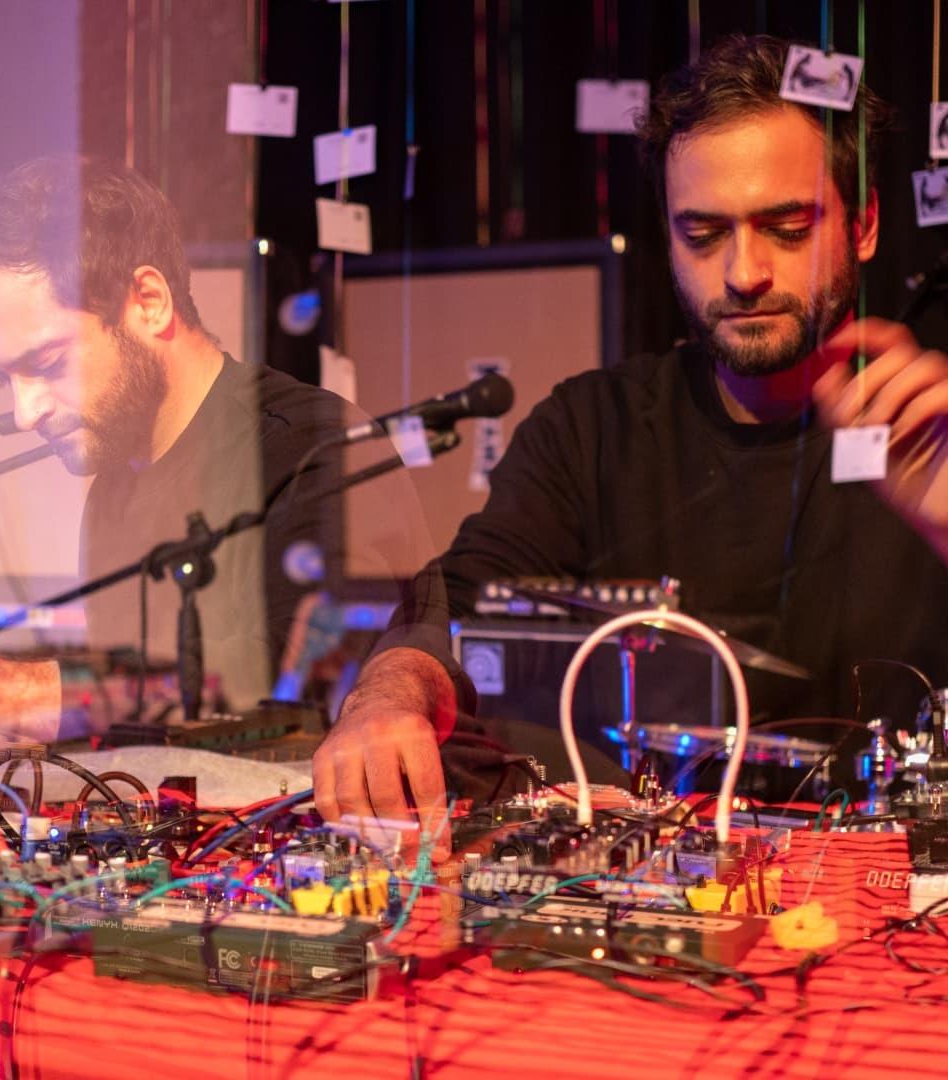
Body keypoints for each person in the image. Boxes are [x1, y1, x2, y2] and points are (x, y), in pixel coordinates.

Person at [312, 34, 948, 854]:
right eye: (703, 233)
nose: (744, 272)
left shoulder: (934, 426)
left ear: (864, 225)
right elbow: (457, 606)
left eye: (787, 227)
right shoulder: (590, 429)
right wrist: (387, 695)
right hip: (649, 896)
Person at [0, 156, 436, 743]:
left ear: (148, 301)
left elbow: (293, 701)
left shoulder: (317, 451)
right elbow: (140, 726)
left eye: (49, 363)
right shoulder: (114, 487)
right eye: (2, 379)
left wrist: (1, 690)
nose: (26, 411)